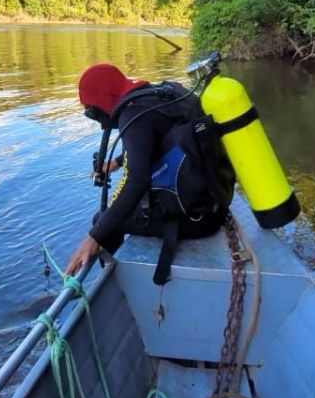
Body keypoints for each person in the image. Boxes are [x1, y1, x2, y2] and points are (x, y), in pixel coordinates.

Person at [65, 63, 233, 281]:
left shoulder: (133, 117)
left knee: (102, 219)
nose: (95, 118)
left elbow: (136, 182)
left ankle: (114, 282)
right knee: (111, 218)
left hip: (198, 219)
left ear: (102, 101)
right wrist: (116, 162)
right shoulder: (159, 96)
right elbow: (160, 141)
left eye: (91, 111)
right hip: (215, 196)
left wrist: (94, 236)